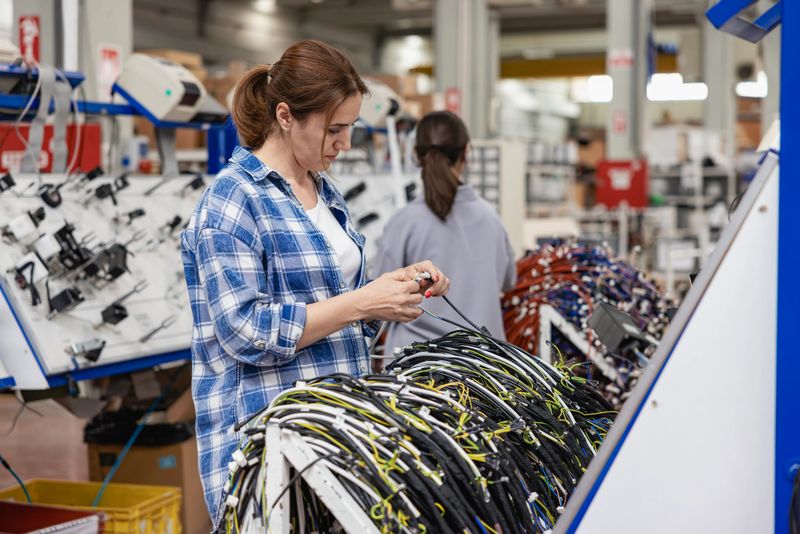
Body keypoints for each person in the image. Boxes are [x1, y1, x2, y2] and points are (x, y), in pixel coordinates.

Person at [180, 40, 449, 528]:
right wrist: (363, 301)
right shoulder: (231, 203)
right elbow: (245, 330)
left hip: (337, 434)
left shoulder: (324, 193)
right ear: (286, 116)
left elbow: (339, 307)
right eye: (334, 129)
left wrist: (392, 291)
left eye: (349, 128)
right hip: (268, 450)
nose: (344, 144)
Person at [374, 111, 516, 355]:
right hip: (485, 370)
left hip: (414, 370)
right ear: (466, 153)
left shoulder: (404, 222)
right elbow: (508, 281)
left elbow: (377, 294)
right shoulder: (490, 218)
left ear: (416, 155)